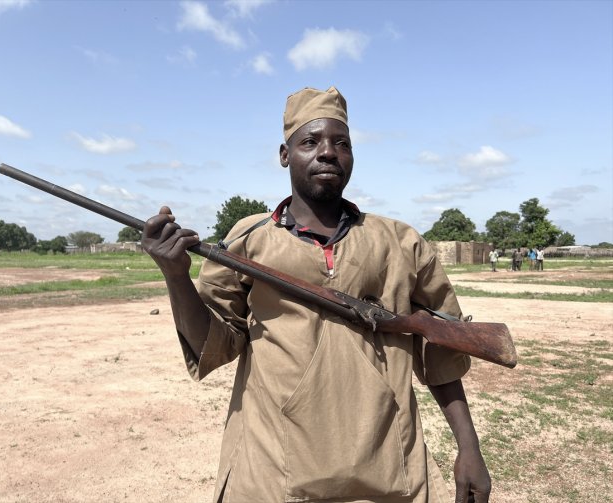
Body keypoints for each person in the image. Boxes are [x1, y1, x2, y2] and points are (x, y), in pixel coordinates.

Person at [142, 87, 491, 503]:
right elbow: (213, 344)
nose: (328, 152)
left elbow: (442, 350)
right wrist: (176, 276)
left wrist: (469, 448)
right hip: (271, 472)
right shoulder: (247, 240)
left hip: (391, 472)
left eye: (340, 143)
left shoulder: (401, 242)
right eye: (310, 141)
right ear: (284, 154)